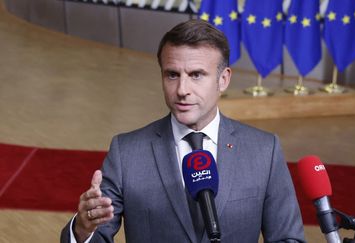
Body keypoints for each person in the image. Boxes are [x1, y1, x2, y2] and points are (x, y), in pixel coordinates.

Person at [61, 19, 306, 243]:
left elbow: (288, 238)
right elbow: (98, 235)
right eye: (172, 75)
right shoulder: (126, 152)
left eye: (196, 75)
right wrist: (82, 229)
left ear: (223, 79)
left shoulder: (264, 150)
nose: (182, 89)